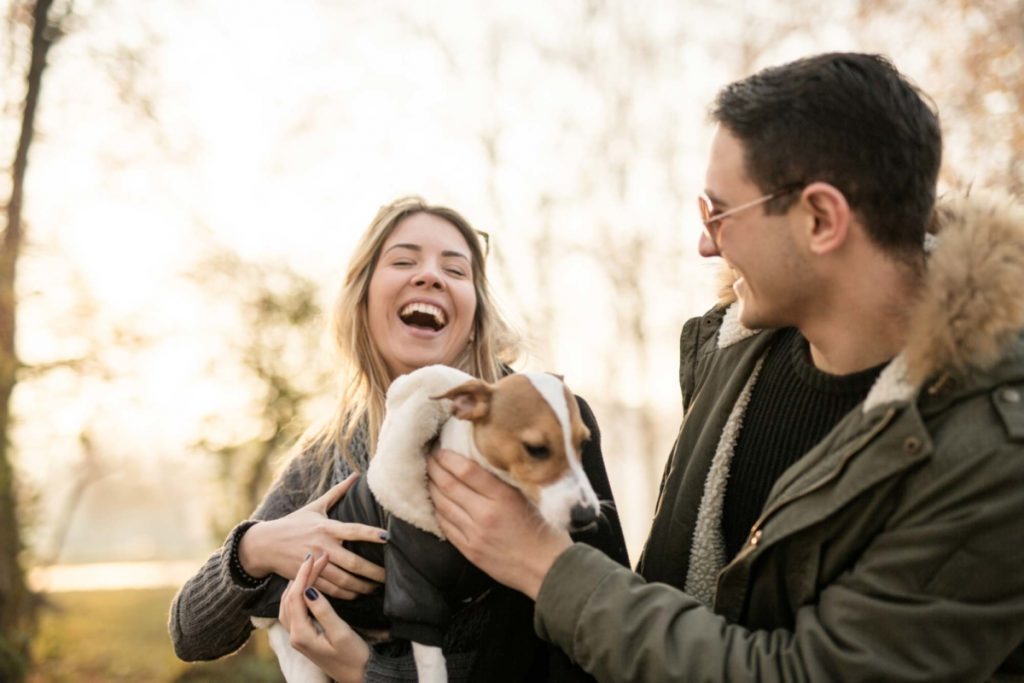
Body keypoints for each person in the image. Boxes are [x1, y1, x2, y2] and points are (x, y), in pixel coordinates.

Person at [426, 52, 1024, 681]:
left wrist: (545, 567)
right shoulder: (729, 353)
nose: (705, 243)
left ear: (821, 219)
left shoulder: (994, 451)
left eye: (719, 212)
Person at [169, 196, 629, 682]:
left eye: (456, 269)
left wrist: (370, 672)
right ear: (362, 296)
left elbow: (595, 646)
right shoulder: (330, 452)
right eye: (405, 261)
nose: (429, 276)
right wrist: (253, 550)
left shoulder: (545, 421)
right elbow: (190, 635)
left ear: (476, 310)